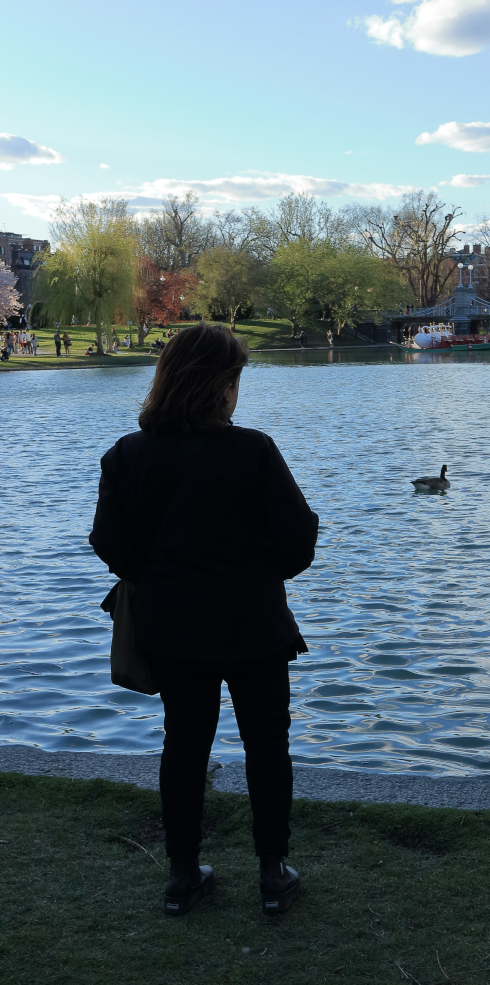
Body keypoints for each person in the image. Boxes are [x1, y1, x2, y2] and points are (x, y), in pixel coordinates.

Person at [89, 322, 319, 917]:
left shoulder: (127, 457)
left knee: (184, 745)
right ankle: (272, 872)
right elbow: (298, 542)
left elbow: (110, 544)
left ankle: (183, 875)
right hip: (253, 624)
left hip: (173, 628)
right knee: (267, 745)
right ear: (221, 387)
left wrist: (159, 572)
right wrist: (255, 569)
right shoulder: (253, 451)